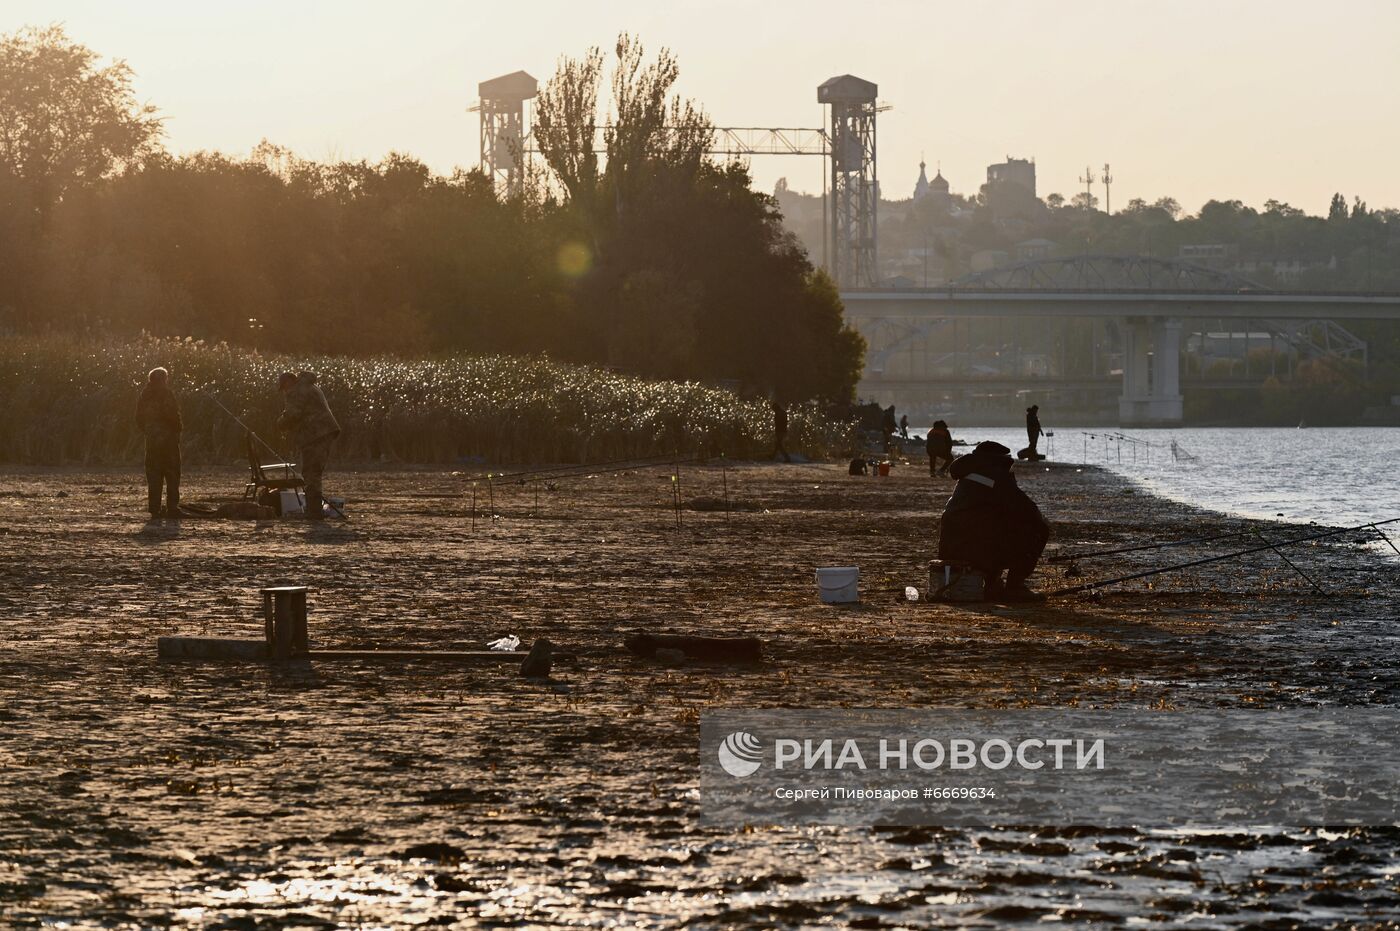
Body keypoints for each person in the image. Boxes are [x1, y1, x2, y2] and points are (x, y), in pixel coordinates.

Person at [938, 441, 1049, 602]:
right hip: (973, 550)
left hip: (950, 549)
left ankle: (992, 583)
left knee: (991, 527)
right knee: (1038, 529)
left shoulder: (968, 474)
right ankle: (1014, 586)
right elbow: (1028, 510)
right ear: (999, 460)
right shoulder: (995, 476)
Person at [277, 370, 341, 520]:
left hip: (315, 434)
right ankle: (314, 509)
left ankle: (313, 512)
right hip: (325, 432)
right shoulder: (309, 386)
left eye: (284, 387)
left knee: (311, 472)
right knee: (314, 471)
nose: (285, 391)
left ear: (288, 382)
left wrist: (279, 423)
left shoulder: (297, 391)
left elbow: (293, 414)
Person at [136, 367, 182, 519]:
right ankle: (172, 507)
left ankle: (154, 508)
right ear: (163, 379)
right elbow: (171, 415)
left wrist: (149, 431)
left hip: (151, 441)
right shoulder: (166, 394)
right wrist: (178, 427)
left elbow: (138, 418)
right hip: (168, 441)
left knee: (153, 475)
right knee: (172, 473)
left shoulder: (144, 395)